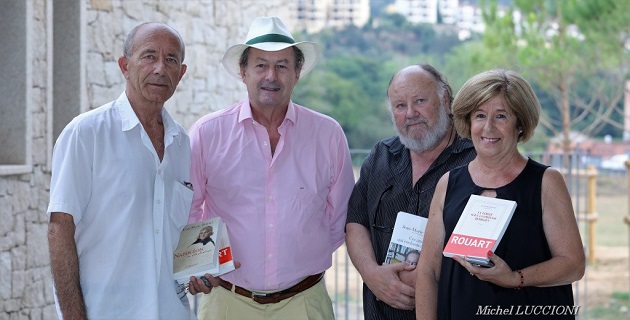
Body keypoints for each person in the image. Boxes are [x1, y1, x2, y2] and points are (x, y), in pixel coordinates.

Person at [186, 16, 355, 319]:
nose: (271, 76)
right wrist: (198, 265)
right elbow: (189, 208)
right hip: (228, 301)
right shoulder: (206, 134)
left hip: (304, 300)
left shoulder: (328, 135)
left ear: (297, 72)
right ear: (243, 71)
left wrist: (299, 255)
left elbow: (339, 216)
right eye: (261, 64)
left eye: (282, 65)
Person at [47, 22, 195, 319]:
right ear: (125, 66)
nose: (160, 69)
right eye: (149, 56)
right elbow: (59, 228)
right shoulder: (86, 133)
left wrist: (200, 269)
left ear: (181, 73)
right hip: (107, 311)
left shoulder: (182, 144)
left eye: (170, 60)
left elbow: (177, 235)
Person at [415, 69, 585, 319]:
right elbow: (428, 272)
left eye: (501, 116)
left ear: (520, 123)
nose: (488, 127)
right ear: (468, 121)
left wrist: (515, 278)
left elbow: (573, 265)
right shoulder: (448, 183)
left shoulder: (546, 182)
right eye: (480, 115)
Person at [345, 64, 476, 320]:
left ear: (445, 99)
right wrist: (371, 274)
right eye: (400, 106)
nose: (411, 113)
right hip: (382, 312)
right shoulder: (381, 156)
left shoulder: (475, 160)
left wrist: (431, 277)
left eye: (420, 101)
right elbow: (355, 221)